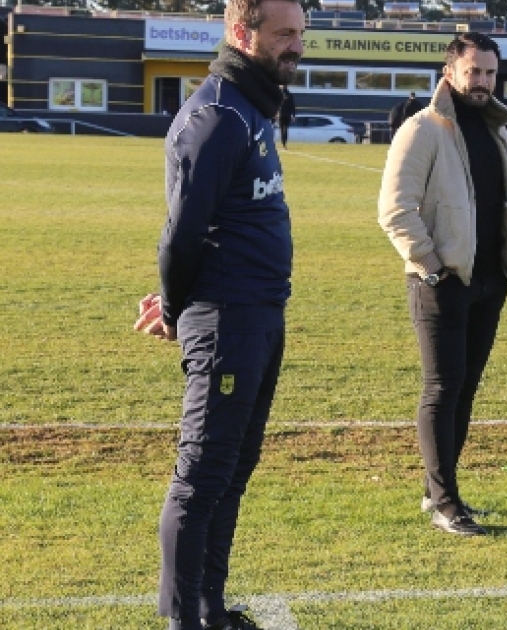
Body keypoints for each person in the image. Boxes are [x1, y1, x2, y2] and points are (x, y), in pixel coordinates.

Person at [132, 0, 303, 627]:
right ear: (241, 32)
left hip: (259, 316)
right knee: (201, 477)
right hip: (227, 322)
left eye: (300, 33)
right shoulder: (218, 116)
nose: (295, 45)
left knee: (230, 471)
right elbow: (180, 237)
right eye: (283, 33)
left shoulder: (253, 107)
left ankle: (209, 608)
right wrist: (178, 309)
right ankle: (184, 619)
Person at [378, 32, 507, 536]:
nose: (482, 80)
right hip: (440, 281)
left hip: (489, 281)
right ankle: (445, 503)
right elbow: (394, 210)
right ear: (450, 73)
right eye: (473, 71)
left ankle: (434, 489)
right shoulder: (422, 128)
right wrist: (432, 266)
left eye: (490, 72)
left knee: (465, 388)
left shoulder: (495, 129)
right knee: (441, 388)